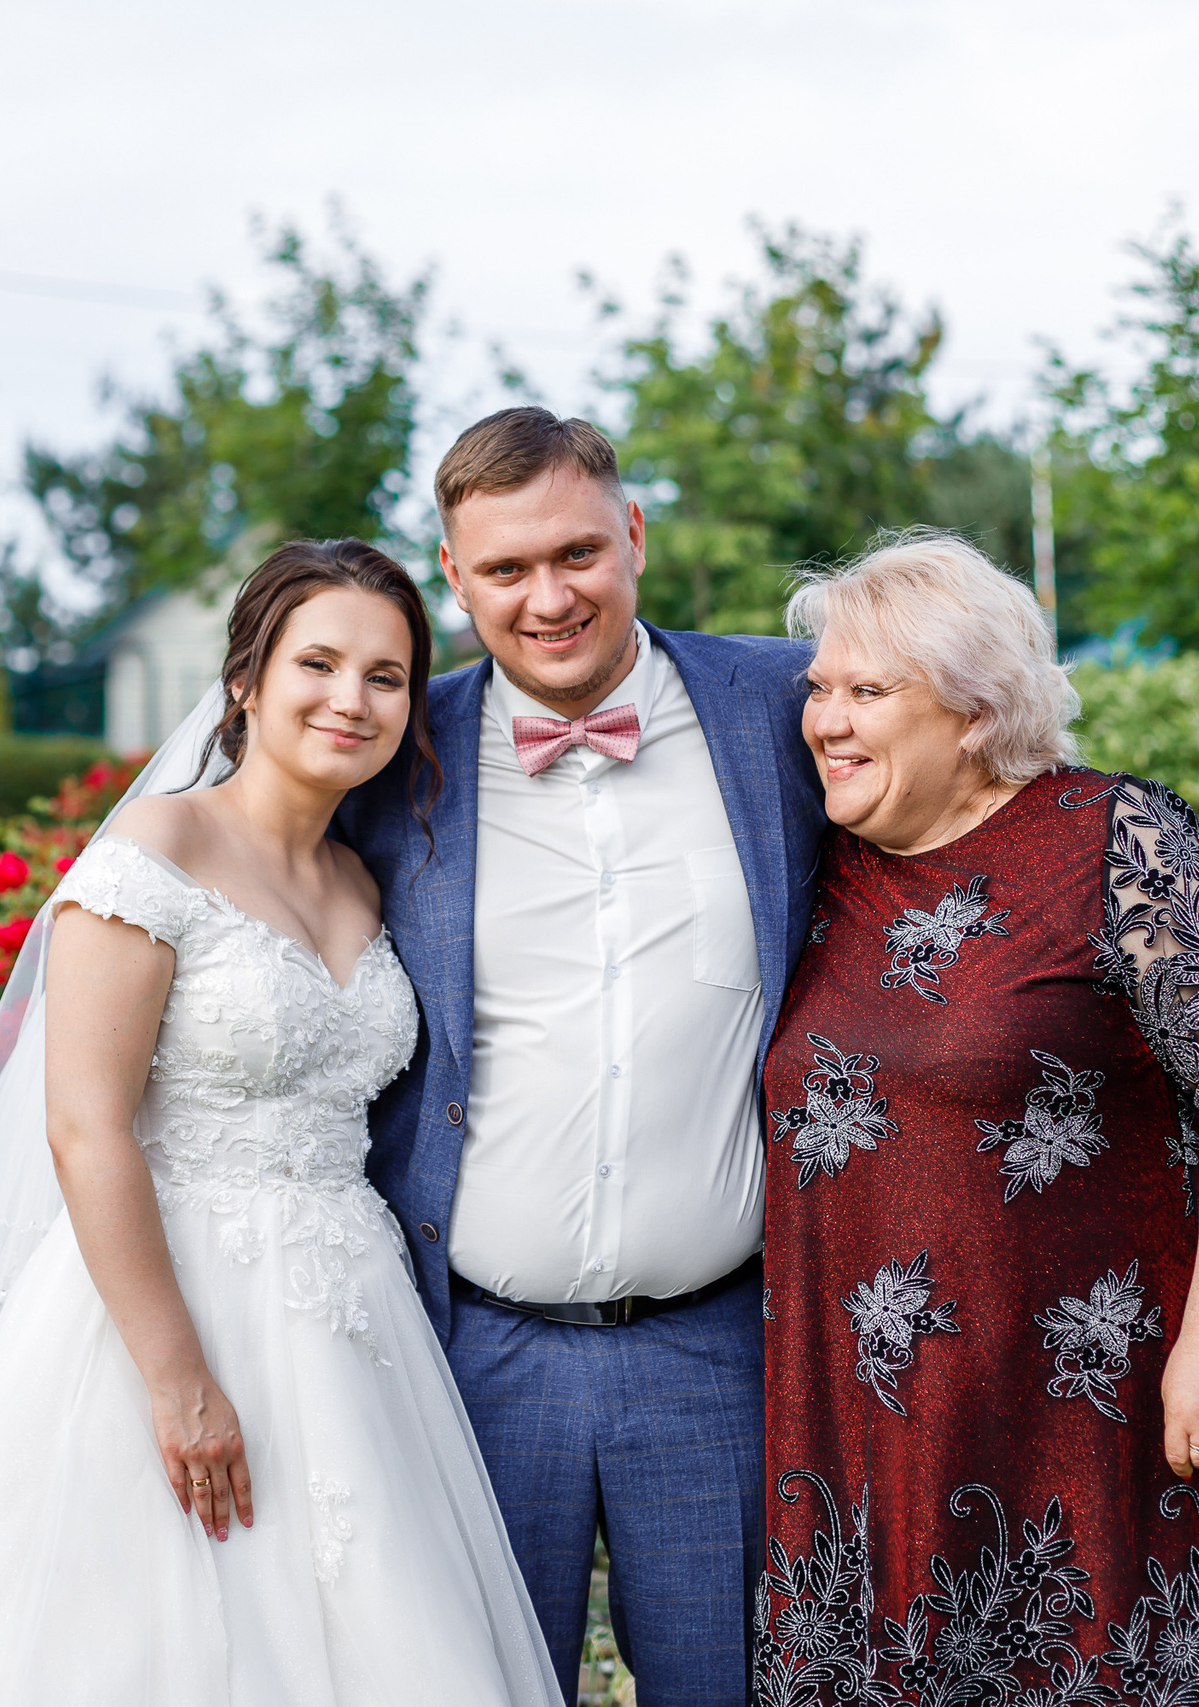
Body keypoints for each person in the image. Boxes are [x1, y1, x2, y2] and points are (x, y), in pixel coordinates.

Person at [0, 541, 562, 1706]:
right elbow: (86, 1129)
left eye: (386, 677)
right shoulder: (151, 856)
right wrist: (178, 1382)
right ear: (246, 679)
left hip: (354, 1330)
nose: (352, 698)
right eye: (317, 663)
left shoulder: (364, 883)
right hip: (161, 1313)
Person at [751, 532, 1199, 1705]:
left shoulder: (1114, 839)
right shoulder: (812, 868)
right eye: (819, 689)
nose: (825, 722)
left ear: (971, 711)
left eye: (867, 692)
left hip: (1085, 1418)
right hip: (863, 1435)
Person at [335, 408, 826, 1707]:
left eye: (577, 553)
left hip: (716, 1348)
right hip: (472, 1355)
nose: (547, 598)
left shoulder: (783, 707)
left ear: (635, 535)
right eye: (505, 568)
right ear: (455, 577)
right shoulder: (390, 751)